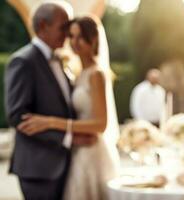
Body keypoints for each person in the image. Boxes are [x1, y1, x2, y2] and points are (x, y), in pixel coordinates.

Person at [17, 16, 118, 200]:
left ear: (93, 39)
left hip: (92, 152)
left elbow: (100, 124)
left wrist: (51, 122)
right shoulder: (77, 73)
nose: (74, 42)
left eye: (80, 37)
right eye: (71, 36)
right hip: (75, 151)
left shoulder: (96, 75)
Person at [5, 2, 98, 200]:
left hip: (68, 164)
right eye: (64, 27)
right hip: (38, 169)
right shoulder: (23, 61)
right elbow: (18, 116)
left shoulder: (61, 61)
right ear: (43, 26)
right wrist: (67, 138)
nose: (68, 34)